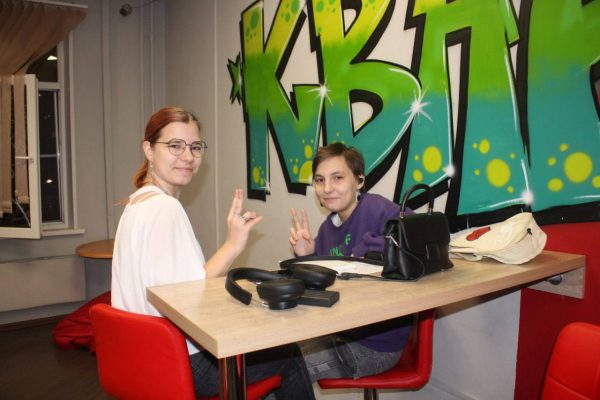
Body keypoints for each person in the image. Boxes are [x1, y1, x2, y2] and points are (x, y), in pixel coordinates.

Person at [111, 107, 315, 399]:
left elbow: (172, 288)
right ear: (149, 150)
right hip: (180, 362)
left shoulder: (136, 204)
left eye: (195, 147)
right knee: (289, 355)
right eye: (175, 146)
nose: (188, 156)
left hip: (141, 359)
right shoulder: (165, 208)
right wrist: (233, 245)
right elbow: (190, 297)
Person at [289, 142, 413, 382]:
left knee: (283, 375)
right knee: (272, 359)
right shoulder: (327, 229)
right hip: (338, 332)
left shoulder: (374, 207)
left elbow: (413, 233)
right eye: (320, 180)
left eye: (337, 178)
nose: (327, 188)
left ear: (359, 181)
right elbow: (321, 284)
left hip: (375, 346)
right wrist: (306, 255)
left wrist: (364, 249)